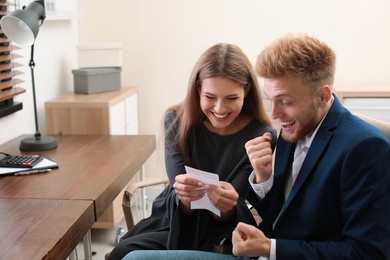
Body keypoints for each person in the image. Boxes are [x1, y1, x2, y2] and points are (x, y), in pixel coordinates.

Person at [122, 33, 390, 260]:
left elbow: (369, 252)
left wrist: (270, 248)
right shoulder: (291, 129)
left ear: (323, 96)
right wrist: (263, 179)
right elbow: (278, 213)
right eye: (270, 99)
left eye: (284, 101)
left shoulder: (365, 148)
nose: (274, 113)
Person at [108, 43, 277, 259]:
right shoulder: (176, 121)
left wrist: (226, 204)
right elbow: (179, 188)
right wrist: (188, 197)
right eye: (210, 97)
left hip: (226, 230)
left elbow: (239, 202)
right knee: (122, 253)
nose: (219, 109)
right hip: (175, 221)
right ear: (198, 89)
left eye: (231, 98)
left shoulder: (262, 137)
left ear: (246, 91)